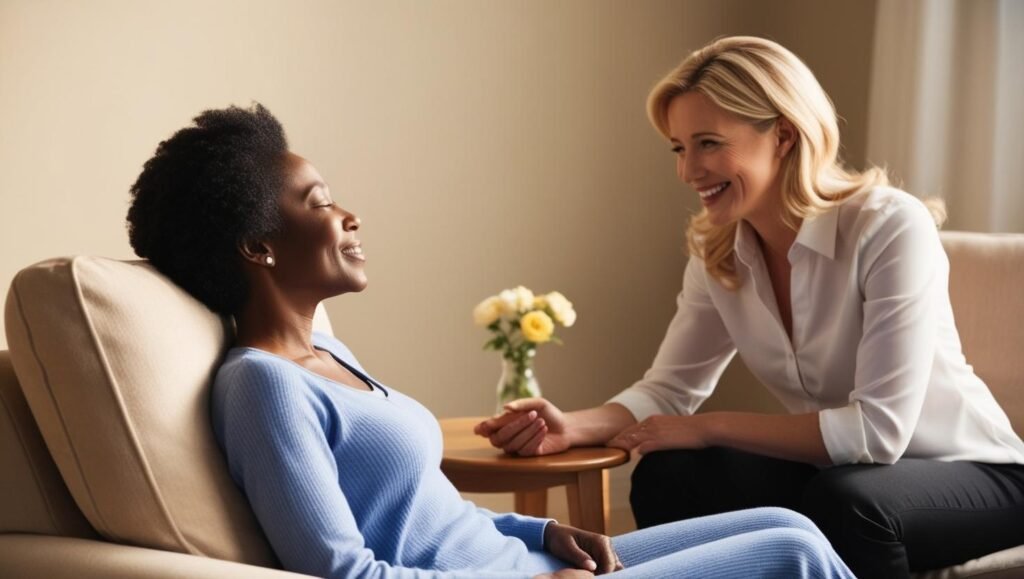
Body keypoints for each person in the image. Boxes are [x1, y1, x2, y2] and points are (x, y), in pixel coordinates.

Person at [125, 103, 854, 579]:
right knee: (789, 555)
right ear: (258, 246)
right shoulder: (262, 384)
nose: (347, 215)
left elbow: (427, 512)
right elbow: (345, 570)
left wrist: (537, 531)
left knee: (786, 522)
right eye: (317, 202)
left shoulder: (327, 352)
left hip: (522, 561)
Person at [475, 36, 1024, 578]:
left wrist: (711, 426)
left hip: (977, 477)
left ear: (783, 135)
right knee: (670, 473)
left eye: (709, 143)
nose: (689, 171)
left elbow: (877, 434)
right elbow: (668, 390)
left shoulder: (887, 226)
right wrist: (573, 425)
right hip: (839, 476)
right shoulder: (719, 252)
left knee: (850, 501)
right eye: (679, 147)